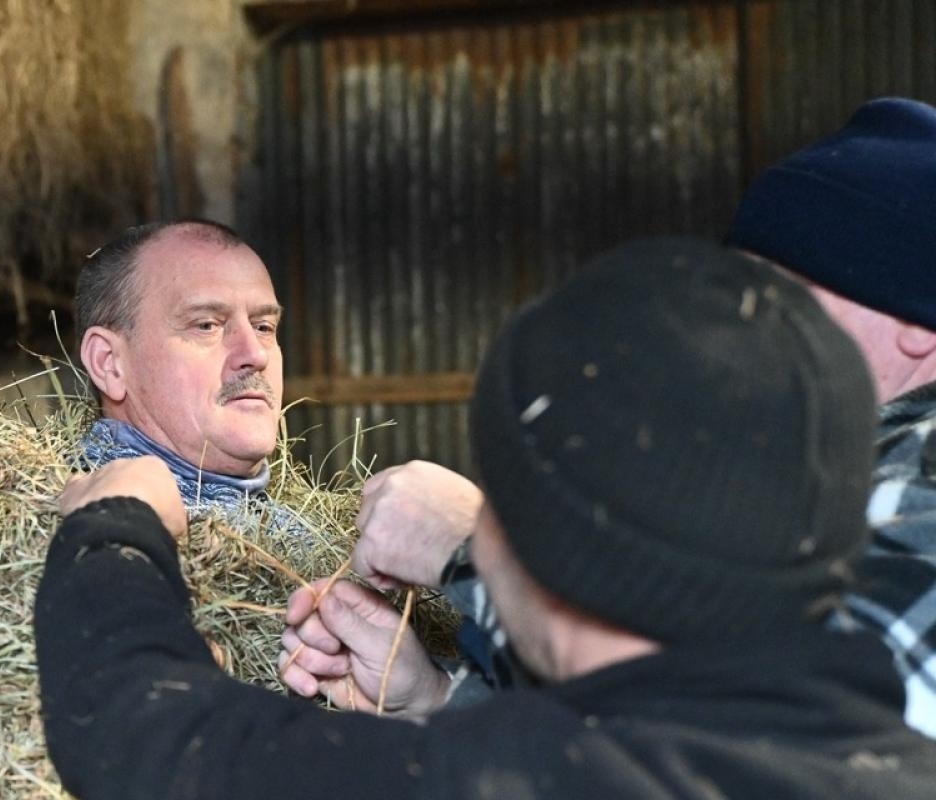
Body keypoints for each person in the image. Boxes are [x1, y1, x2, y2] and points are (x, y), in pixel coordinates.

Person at [33, 239, 936, 800]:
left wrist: (115, 530)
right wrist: (437, 701)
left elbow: (146, 729)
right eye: (206, 324)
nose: (251, 350)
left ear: (534, 540)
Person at [324, 98, 936, 733]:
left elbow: (798, 738)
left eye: (782, 294)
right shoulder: (824, 478)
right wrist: (439, 699)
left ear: (913, 321)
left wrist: (479, 547)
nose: (750, 326)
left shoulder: (918, 470)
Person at [74, 220, 285, 514]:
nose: (256, 355)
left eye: (264, 327)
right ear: (108, 363)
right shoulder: (83, 529)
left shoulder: (306, 527)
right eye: (206, 325)